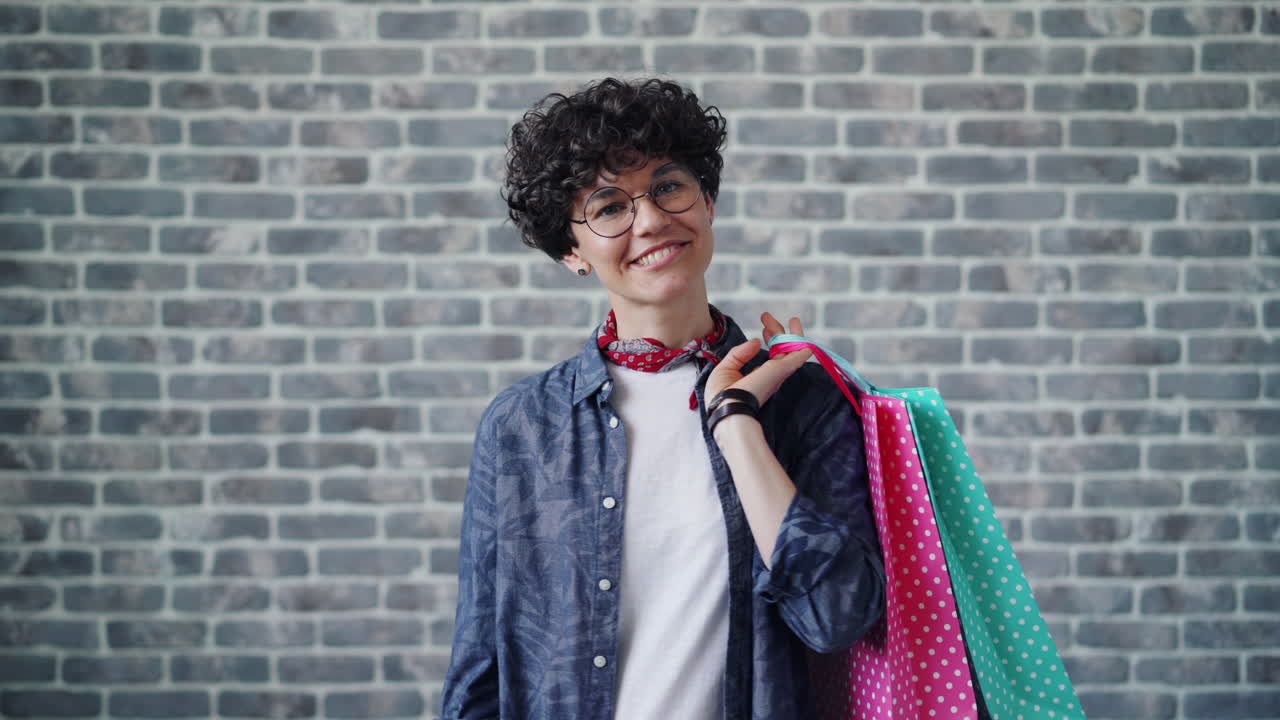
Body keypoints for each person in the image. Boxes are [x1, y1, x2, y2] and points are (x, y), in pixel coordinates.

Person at [440, 77, 885, 720]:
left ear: (707, 203)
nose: (649, 220)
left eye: (669, 187)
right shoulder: (523, 427)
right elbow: (481, 665)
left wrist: (737, 425)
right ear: (572, 251)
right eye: (608, 206)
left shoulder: (804, 399)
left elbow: (837, 617)